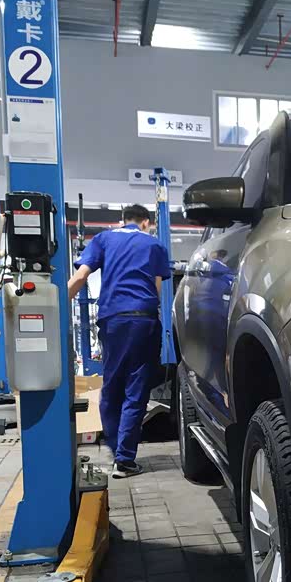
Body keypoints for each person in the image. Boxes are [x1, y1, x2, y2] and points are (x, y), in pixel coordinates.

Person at [68, 204, 171, 478]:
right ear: (146, 222)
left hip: (112, 319)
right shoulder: (153, 244)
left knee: (112, 386)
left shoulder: (103, 238)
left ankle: (116, 450)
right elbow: (156, 288)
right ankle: (124, 460)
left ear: (121, 220)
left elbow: (81, 276)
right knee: (136, 389)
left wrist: (54, 304)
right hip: (143, 320)